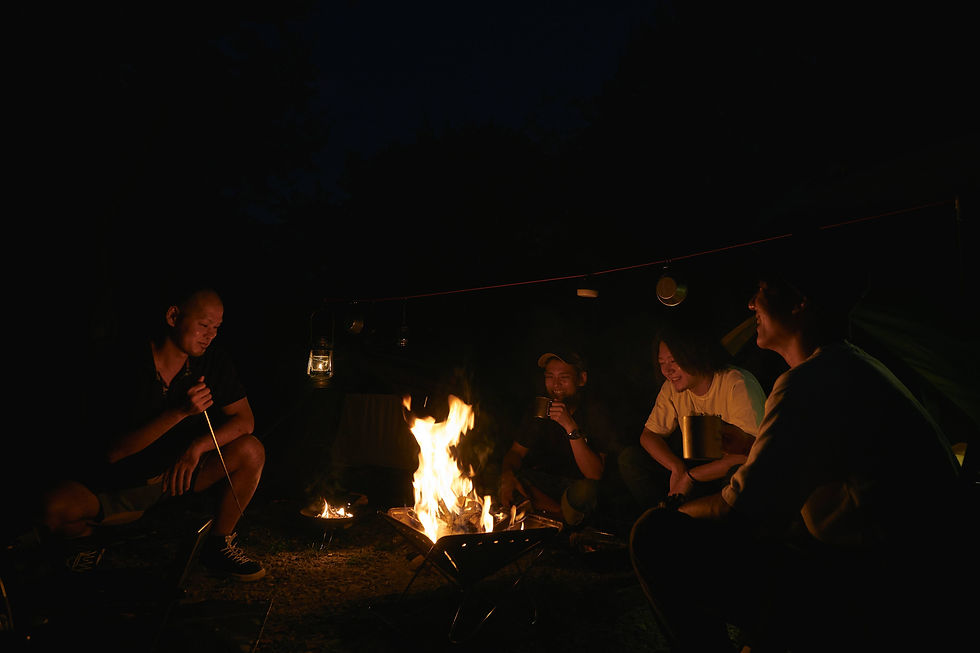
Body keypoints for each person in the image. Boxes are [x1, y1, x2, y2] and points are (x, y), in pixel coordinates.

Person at [629, 237, 963, 652]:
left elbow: (740, 512)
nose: (751, 304)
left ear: (799, 302)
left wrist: (673, 509)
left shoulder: (810, 381)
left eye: (762, 292)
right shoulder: (851, 365)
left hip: (882, 588)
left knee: (653, 535)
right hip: (913, 572)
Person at [33, 284, 267, 581]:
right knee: (53, 508)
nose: (211, 334)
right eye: (204, 325)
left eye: (217, 327)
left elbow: (244, 420)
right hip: (119, 483)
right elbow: (114, 450)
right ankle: (87, 540)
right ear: (173, 316)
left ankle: (219, 544)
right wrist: (180, 411)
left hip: (175, 477)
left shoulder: (212, 361)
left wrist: (197, 447)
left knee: (251, 449)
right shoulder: (124, 364)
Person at [618, 318, 766, 515]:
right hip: (693, 467)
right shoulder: (672, 389)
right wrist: (676, 467)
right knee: (630, 460)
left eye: (673, 361)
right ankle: (662, 519)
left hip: (726, 473)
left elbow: (751, 454)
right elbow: (648, 435)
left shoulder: (736, 383)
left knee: (739, 475)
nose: (667, 370)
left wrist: (690, 476)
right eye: (662, 363)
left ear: (695, 354)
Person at [498, 351, 617, 528]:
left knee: (588, 491)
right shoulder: (540, 408)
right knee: (505, 477)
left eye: (564, 377)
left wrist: (569, 425)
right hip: (545, 485)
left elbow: (595, 474)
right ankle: (558, 515)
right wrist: (507, 476)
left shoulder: (595, 411)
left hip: (575, 487)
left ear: (581, 379)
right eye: (550, 377)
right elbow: (516, 452)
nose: (556, 384)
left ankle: (556, 516)